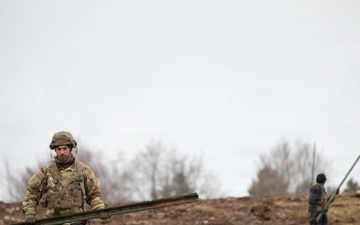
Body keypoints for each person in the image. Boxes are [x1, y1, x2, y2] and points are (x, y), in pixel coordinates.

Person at [22, 131, 110, 225]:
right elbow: (32, 193)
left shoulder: (83, 170)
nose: (62, 152)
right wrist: (29, 213)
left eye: (65, 148)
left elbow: (94, 194)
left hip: (77, 220)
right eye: (59, 149)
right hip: (53, 220)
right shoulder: (46, 171)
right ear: (55, 150)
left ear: (71, 148)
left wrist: (99, 208)